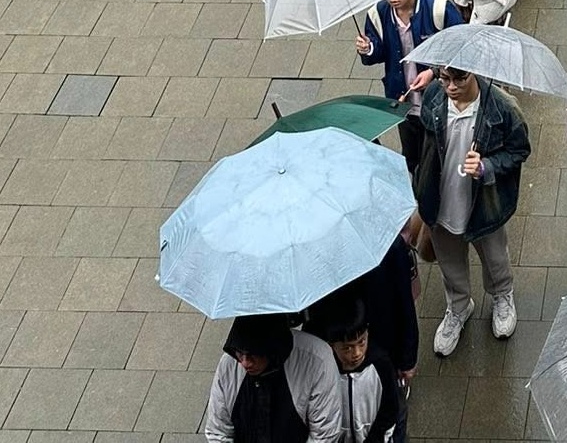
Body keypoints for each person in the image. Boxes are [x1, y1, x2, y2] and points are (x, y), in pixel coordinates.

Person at [412, 65, 530, 354]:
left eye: (459, 78)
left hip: (484, 203)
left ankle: (502, 295)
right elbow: (424, 146)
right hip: (441, 200)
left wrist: (487, 166)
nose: (450, 86)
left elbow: (519, 150)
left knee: (494, 255)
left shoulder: (500, 107)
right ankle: (458, 307)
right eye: (444, 78)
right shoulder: (434, 98)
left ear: (473, 74)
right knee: (449, 260)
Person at [355, 0, 464, 173]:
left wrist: (433, 72)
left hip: (439, 102)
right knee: (411, 155)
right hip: (402, 102)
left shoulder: (439, 9)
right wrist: (368, 48)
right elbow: (377, 54)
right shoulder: (378, 14)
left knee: (441, 155)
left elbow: (459, 49)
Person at [205, 316, 342, 443]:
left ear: (272, 350)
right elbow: (218, 431)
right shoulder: (230, 364)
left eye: (253, 354)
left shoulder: (316, 360)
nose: (245, 363)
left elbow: (324, 435)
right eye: (240, 353)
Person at [315, 298, 402, 443]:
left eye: (361, 342)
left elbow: (390, 408)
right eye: (347, 348)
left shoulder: (381, 364)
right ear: (331, 346)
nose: (357, 353)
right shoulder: (324, 371)